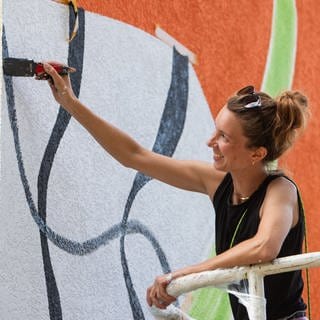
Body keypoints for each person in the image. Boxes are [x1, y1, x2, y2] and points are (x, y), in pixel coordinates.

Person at [42, 62, 309, 320]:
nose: (210, 142)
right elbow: (135, 156)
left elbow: (264, 246)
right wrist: (71, 104)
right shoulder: (217, 182)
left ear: (257, 153)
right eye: (216, 131)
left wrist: (186, 276)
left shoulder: (280, 191)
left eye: (224, 137)